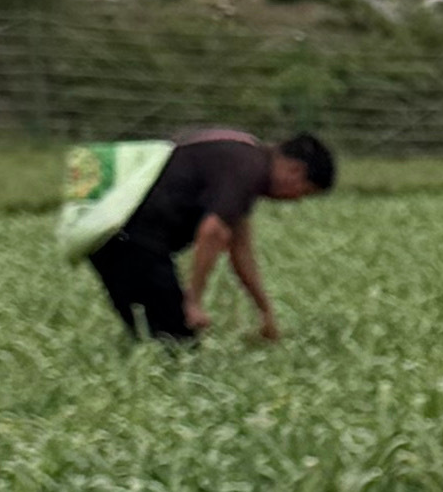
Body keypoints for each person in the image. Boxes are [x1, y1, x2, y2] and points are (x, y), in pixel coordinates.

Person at [66, 127, 334, 344]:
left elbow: (240, 249)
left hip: (111, 235)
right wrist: (192, 301)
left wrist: (265, 313)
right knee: (179, 346)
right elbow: (213, 232)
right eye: (304, 192)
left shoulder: (243, 158)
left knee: (152, 339)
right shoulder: (249, 169)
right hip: (137, 239)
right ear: (295, 171)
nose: (296, 200)